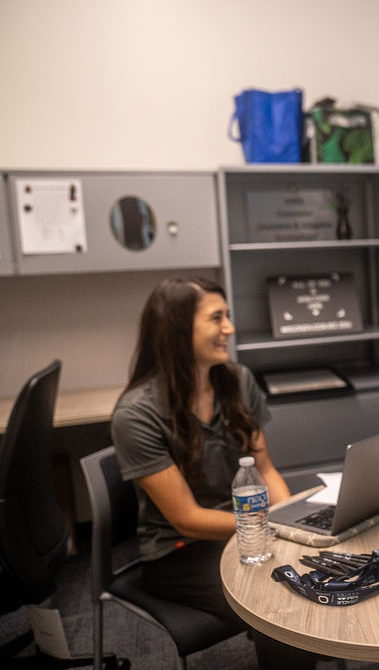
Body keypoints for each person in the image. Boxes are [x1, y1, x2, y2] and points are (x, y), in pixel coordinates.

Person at [110, 277, 316, 668]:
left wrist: (294, 523)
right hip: (178, 553)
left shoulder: (237, 381)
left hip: (248, 530)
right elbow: (187, 520)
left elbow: (267, 469)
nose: (230, 329)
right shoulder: (136, 414)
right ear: (177, 328)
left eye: (228, 316)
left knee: (314, 571)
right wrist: (275, 527)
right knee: (278, 603)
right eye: (216, 318)